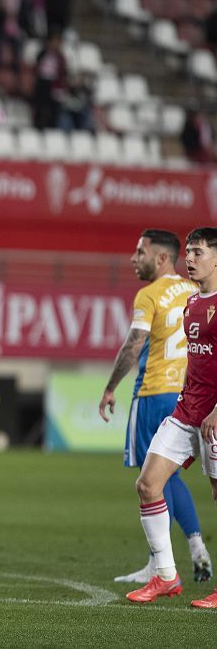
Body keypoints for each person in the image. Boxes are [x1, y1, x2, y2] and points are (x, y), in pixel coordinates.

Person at [99, 230, 211, 584]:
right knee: (165, 477)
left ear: (162, 258)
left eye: (139, 252)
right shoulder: (194, 291)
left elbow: (134, 345)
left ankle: (161, 563)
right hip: (188, 393)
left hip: (155, 392)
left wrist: (109, 387)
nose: (133, 259)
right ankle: (193, 549)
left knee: (158, 479)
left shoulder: (149, 294)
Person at [125, 227, 217, 609]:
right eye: (189, 251)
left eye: (197, 252)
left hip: (214, 416)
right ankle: (165, 574)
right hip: (185, 411)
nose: (190, 259)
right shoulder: (193, 303)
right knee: (148, 484)